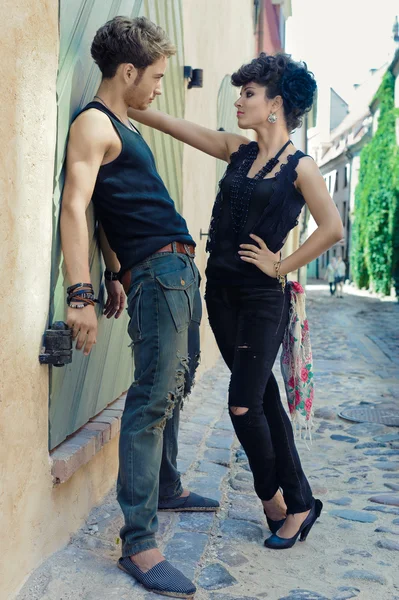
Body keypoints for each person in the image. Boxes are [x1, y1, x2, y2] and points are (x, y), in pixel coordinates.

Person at [129, 52, 343, 550]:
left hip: (262, 301)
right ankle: (301, 500)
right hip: (220, 295)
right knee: (265, 400)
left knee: (244, 407)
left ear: (276, 105)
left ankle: (274, 498)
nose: (239, 100)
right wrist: (131, 107)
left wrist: (281, 265)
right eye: (240, 91)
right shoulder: (239, 151)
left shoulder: (301, 166)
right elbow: (179, 126)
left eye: (249, 93)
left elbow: (331, 227)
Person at [60, 16, 219, 598]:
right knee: (152, 396)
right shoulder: (95, 126)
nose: (158, 88)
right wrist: (82, 293)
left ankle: (169, 483)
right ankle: (139, 542)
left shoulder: (123, 125)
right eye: (153, 77)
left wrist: (112, 267)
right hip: (159, 273)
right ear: (127, 71)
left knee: (179, 380)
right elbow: (76, 206)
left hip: (169, 271)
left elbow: (110, 206)